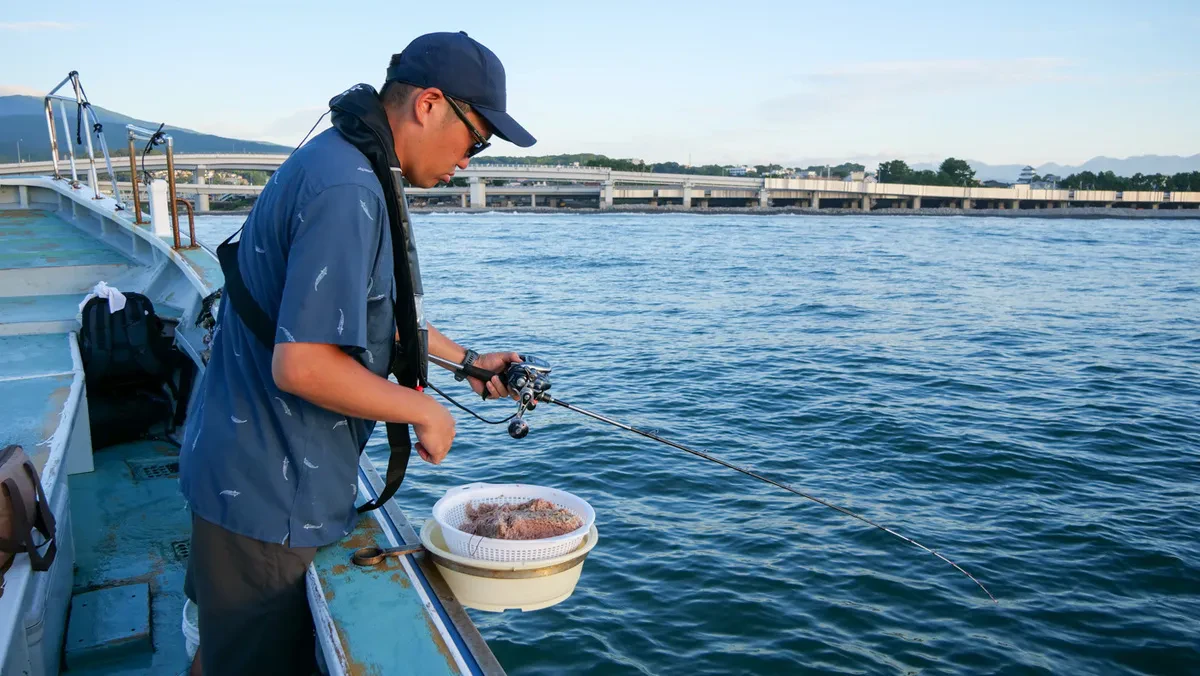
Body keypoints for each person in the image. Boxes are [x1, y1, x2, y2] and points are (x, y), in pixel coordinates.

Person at [178, 31, 536, 675]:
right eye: (475, 140)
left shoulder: (341, 158)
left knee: (221, 651)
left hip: (237, 468)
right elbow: (305, 363)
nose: (468, 161)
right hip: (267, 494)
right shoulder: (350, 189)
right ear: (429, 103)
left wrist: (468, 360)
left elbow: (364, 321)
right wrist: (425, 412)